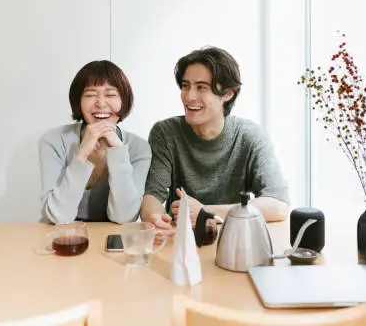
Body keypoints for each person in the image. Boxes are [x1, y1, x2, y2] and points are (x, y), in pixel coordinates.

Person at [140, 46, 290, 233]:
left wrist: (206, 212)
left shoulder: (250, 136)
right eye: (185, 86)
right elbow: (152, 197)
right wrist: (156, 218)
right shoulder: (165, 133)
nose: (189, 96)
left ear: (228, 94)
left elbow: (279, 204)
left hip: (234, 239)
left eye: (201, 87)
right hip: (185, 243)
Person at [39, 60, 151, 224]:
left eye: (111, 94)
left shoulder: (138, 148)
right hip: (59, 237)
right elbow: (57, 216)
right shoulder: (53, 140)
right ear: (79, 102)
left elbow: (124, 217)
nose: (100, 103)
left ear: (123, 101)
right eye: (91, 95)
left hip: (111, 238)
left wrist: (118, 151)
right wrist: (81, 154)